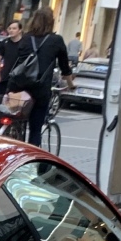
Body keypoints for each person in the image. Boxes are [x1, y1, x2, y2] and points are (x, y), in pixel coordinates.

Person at [7, 8, 73, 146]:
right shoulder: (56, 40)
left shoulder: (25, 38)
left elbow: (18, 61)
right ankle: (32, 161)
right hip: (40, 89)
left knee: (16, 119)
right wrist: (71, 85)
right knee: (35, 130)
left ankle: (13, 136)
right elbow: (65, 69)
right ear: (51, 22)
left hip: (19, 86)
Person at [0, 20, 24, 93]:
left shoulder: (25, 43)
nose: (11, 30)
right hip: (5, 78)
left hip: (19, 80)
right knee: (1, 102)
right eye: (10, 28)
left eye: (14, 28)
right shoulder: (5, 43)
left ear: (20, 30)